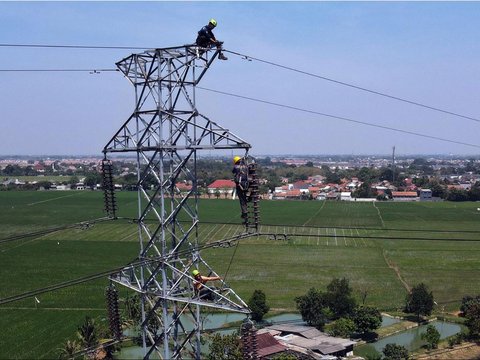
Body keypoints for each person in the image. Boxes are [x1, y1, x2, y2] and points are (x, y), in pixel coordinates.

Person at [232, 156, 249, 222]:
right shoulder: (246, 166)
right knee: (245, 199)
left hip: (239, 185)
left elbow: (233, 172)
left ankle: (245, 214)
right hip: (246, 184)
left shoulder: (236, 167)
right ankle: (244, 212)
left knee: (242, 200)